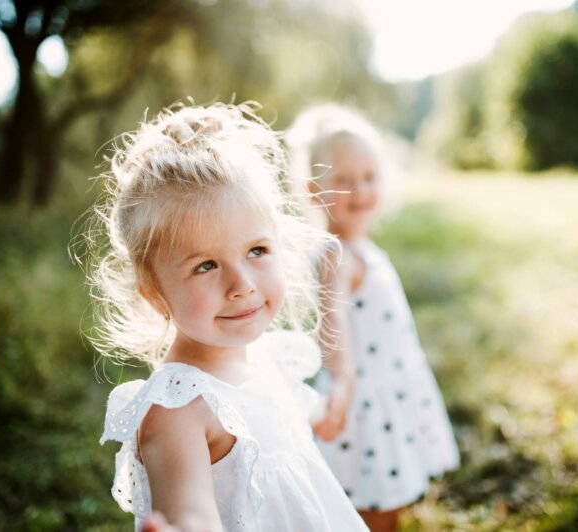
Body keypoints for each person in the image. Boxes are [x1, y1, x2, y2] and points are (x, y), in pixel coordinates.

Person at [87, 102, 368, 531]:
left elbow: (275, 441)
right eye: (205, 266)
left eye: (256, 251)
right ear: (155, 294)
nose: (242, 285)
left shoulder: (261, 356)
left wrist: (321, 414)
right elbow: (191, 509)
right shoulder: (177, 409)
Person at [288, 103, 461, 532]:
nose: (359, 190)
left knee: (385, 498)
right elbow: (334, 327)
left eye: (368, 177)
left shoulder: (362, 247)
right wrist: (343, 381)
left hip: (390, 389)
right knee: (372, 501)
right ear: (314, 191)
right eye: (343, 180)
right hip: (364, 400)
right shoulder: (336, 255)